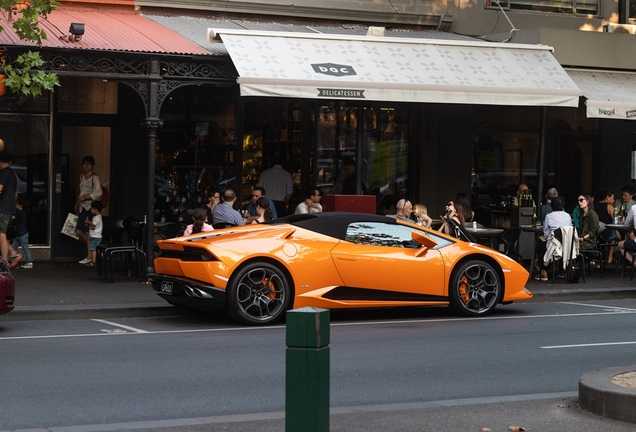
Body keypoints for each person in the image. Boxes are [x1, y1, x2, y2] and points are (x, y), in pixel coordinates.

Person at [535, 196, 572, 281]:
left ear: (551, 206)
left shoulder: (549, 216)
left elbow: (546, 233)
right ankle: (562, 271)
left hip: (554, 246)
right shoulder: (568, 216)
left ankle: (543, 270)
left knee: (540, 244)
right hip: (567, 246)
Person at [76, 156, 102, 265]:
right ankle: (93, 251)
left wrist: (86, 197)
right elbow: (81, 191)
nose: (86, 166)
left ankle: (90, 255)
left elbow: (99, 192)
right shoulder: (82, 176)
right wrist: (78, 203)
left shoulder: (94, 177)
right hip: (82, 206)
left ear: (92, 165)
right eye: (85, 164)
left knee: (87, 231)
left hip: (89, 207)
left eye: (89, 164)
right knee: (79, 230)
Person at [0, 152, 20, 267]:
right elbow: (15, 194)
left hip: (2, 207)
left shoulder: (4, 173)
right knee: (2, 233)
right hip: (8, 207)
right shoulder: (12, 174)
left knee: (1, 233)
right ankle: (13, 252)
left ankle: (4, 261)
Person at [597, 189, 618, 264]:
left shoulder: (595, 205)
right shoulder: (609, 206)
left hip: (596, 232)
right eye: (612, 198)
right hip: (606, 230)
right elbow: (615, 220)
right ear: (607, 198)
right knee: (618, 236)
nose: (613, 200)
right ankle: (610, 257)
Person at [12, 198, 33, 269]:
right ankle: (14, 257)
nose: (15, 205)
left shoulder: (19, 213)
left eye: (16, 204)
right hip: (20, 234)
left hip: (21, 234)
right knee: (12, 248)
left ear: (20, 205)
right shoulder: (24, 212)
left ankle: (30, 262)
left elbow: (12, 217)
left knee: (25, 248)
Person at [83, 201, 103, 267]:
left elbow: (94, 225)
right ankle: (103, 255)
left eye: (91, 208)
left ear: (95, 209)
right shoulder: (97, 217)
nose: (91, 210)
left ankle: (93, 262)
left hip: (96, 236)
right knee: (96, 248)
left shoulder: (97, 218)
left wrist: (88, 222)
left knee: (93, 249)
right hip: (95, 236)